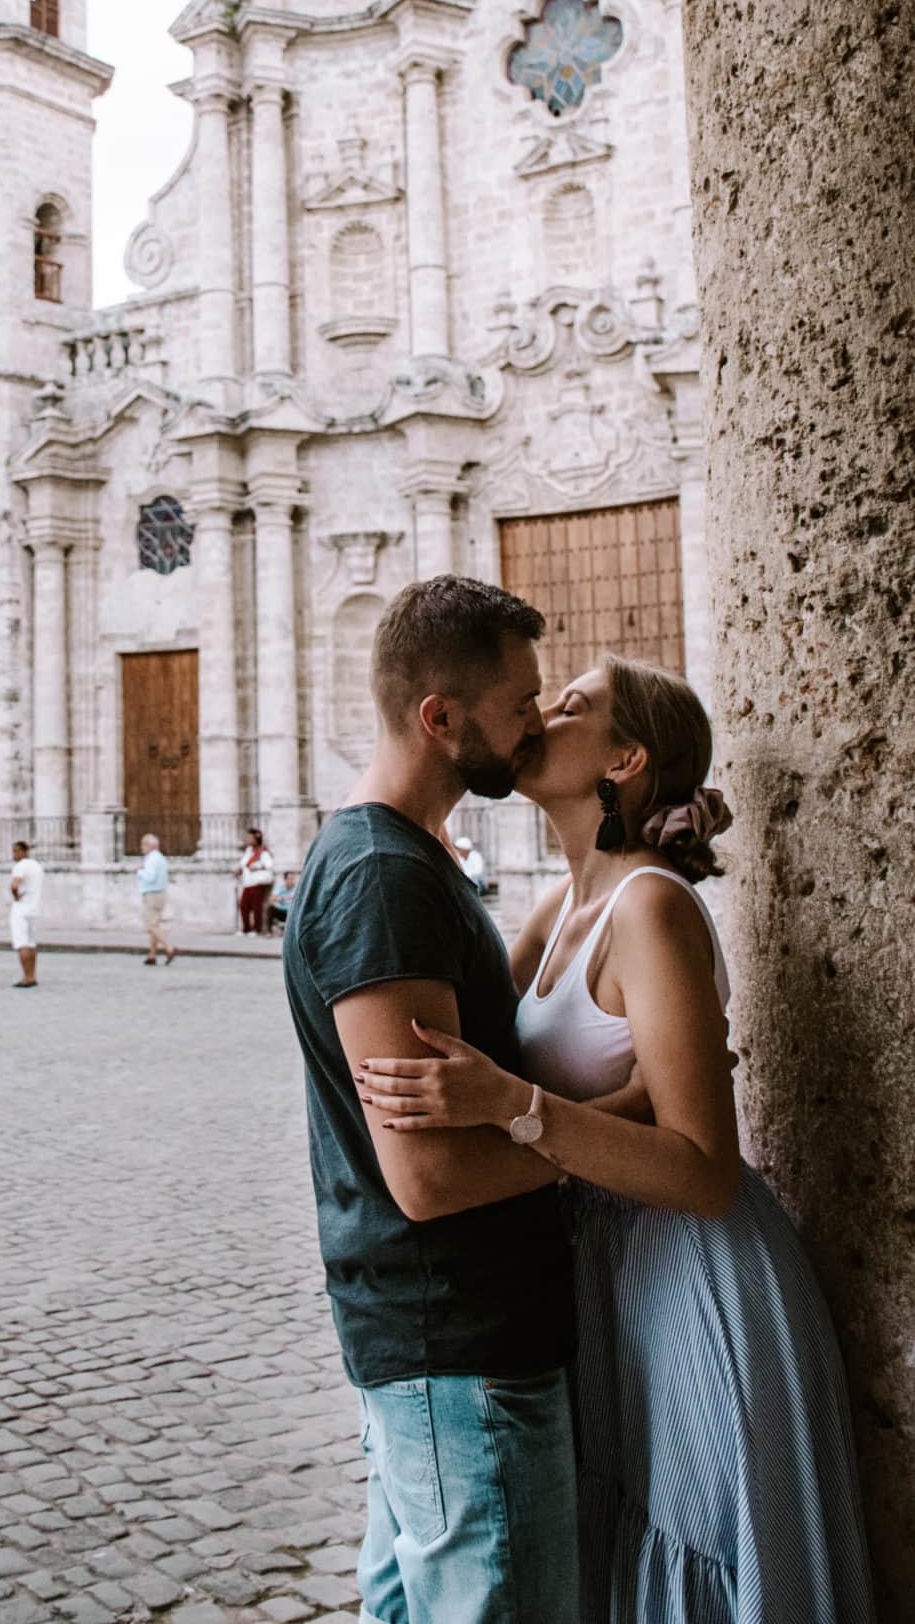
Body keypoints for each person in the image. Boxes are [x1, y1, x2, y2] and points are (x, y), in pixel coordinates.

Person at [357, 652, 875, 1622]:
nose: (545, 711)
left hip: (692, 1281)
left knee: (697, 1553)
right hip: (603, 1277)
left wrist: (519, 1106)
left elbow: (706, 1170)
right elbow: (481, 1029)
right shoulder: (565, 905)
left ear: (627, 758)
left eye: (575, 704)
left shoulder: (652, 908)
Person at [283, 576, 580, 1622]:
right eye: (520, 702)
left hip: (441, 1349)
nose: (535, 723)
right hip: (461, 1347)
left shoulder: (405, 861)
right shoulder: (381, 879)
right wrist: (608, 1130)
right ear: (439, 718)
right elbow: (431, 1174)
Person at [136, 833, 176, 966]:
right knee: (155, 925)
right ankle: (152, 955)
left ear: (149, 845)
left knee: (151, 926)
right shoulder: (160, 858)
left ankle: (168, 947)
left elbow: (150, 877)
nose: (141, 847)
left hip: (151, 894)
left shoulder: (151, 859)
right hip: (160, 894)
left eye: (143, 844)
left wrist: (139, 871)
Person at [9, 840, 42, 988]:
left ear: (24, 851)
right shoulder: (37, 866)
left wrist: (15, 895)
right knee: (31, 943)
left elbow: (14, 884)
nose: (13, 855)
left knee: (21, 943)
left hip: (21, 909)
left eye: (16, 851)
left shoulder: (20, 866)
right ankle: (32, 975)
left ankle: (26, 977)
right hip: (34, 908)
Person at [235, 827, 274, 936]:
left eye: (249, 837)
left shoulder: (263, 851)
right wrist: (239, 870)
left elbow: (269, 865)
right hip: (248, 882)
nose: (247, 839)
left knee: (256, 906)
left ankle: (257, 929)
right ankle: (246, 928)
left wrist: (258, 867)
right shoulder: (248, 850)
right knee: (243, 905)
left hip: (258, 882)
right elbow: (244, 863)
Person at [268, 868, 298, 934]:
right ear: (285, 879)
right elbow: (272, 899)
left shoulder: (297, 888)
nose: (291, 881)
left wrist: (282, 898)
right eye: (289, 879)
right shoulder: (279, 887)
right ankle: (269, 932)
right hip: (282, 911)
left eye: (292, 879)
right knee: (270, 908)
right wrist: (279, 898)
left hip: (292, 912)